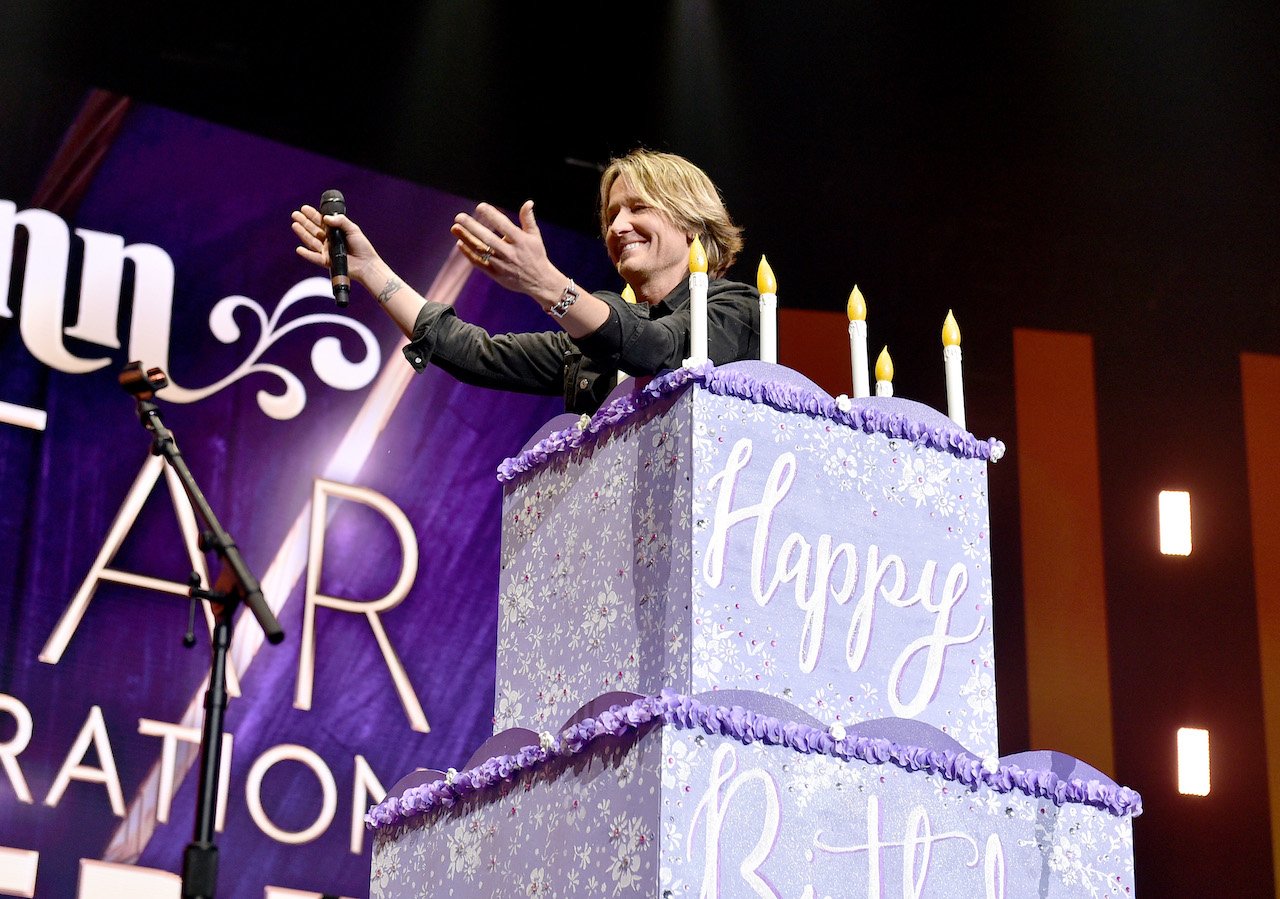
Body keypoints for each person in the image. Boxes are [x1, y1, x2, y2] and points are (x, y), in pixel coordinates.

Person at [291, 149, 760, 413]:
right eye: (612, 214)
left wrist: (546, 284)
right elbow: (473, 353)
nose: (617, 227)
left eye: (638, 209)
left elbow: (660, 348)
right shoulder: (586, 342)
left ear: (692, 223)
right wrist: (373, 270)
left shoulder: (733, 309)